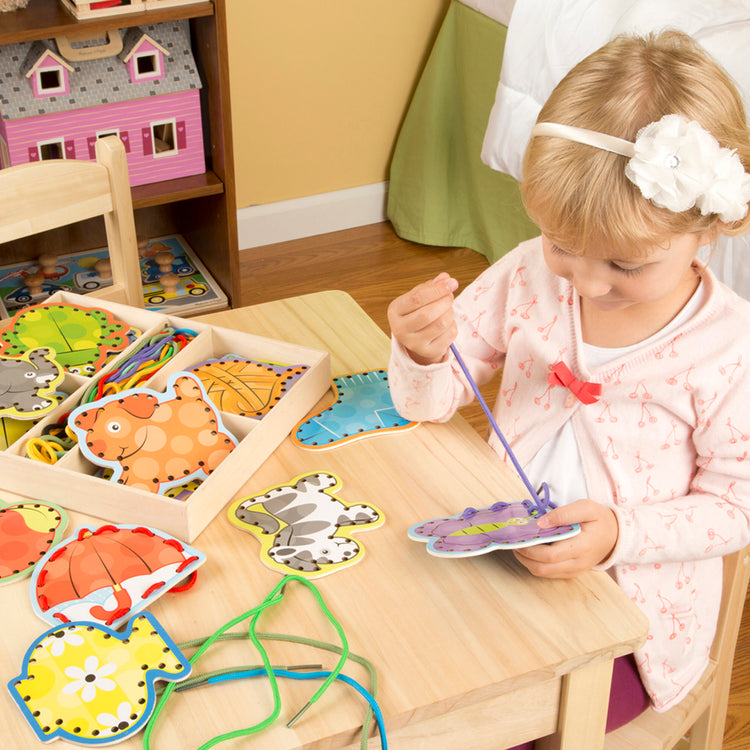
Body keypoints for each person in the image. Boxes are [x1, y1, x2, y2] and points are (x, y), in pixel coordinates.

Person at [387, 29, 750, 743]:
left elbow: (736, 507)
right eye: (562, 245)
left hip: (628, 618)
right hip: (494, 557)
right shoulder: (529, 272)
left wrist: (619, 534)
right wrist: (423, 353)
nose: (583, 281)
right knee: (405, 674)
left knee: (506, 722)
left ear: (711, 226)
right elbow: (428, 402)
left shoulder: (729, 346)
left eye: (623, 264)